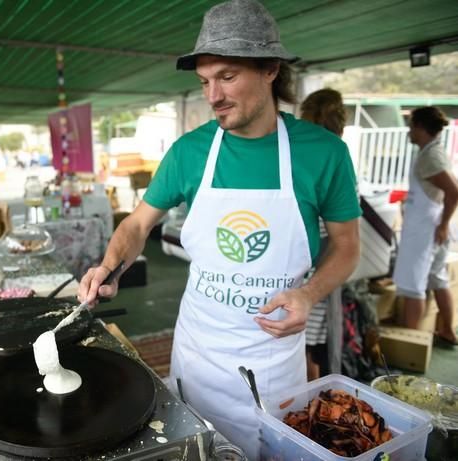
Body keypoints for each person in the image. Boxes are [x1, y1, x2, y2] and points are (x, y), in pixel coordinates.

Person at [78, 1, 360, 458]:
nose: (213, 96)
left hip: (271, 366)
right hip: (198, 354)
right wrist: (110, 265)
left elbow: (347, 246)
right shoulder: (189, 152)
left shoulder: (323, 153)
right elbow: (136, 223)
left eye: (227, 77)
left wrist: (308, 295)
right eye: (205, 82)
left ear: (270, 69)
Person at [393, 106, 458, 346]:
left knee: (413, 286)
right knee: (436, 279)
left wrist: (442, 225)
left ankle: (411, 342)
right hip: (431, 227)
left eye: (411, 126)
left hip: (426, 231)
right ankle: (448, 331)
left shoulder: (430, 156)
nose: (409, 131)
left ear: (420, 127)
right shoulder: (432, 152)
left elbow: (453, 191)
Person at [299, 88, 347, 380]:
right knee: (311, 340)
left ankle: (312, 396)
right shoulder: (338, 154)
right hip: (324, 263)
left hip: (314, 262)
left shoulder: (314, 154)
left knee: (305, 342)